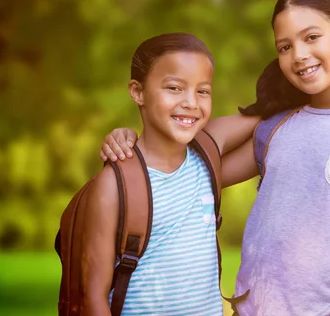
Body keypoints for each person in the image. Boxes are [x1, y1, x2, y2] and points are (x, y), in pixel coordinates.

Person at [100, 0, 330, 316]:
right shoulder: (278, 128)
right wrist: (133, 139)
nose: (300, 55)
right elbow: (192, 159)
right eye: (284, 47)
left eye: (312, 37)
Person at [81, 33, 258, 316]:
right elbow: (93, 298)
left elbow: (269, 121)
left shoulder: (206, 163)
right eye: (174, 88)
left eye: (203, 91)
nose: (191, 102)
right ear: (137, 92)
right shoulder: (115, 184)